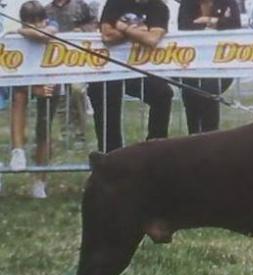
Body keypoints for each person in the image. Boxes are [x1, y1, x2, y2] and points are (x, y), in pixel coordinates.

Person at [87, 0, 174, 152]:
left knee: (163, 94)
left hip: (142, 69)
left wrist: (123, 27)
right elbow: (107, 36)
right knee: (101, 93)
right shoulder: (115, 3)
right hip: (111, 68)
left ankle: (155, 149)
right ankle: (111, 155)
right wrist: (140, 32)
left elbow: (152, 39)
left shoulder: (159, 7)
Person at [8, 0, 59, 198]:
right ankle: (18, 150)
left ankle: (40, 181)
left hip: (51, 81)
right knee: (18, 99)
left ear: (44, 19)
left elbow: (44, 35)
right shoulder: (16, 35)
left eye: (39, 21)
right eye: (30, 22)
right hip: (26, 80)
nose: (37, 26)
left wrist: (22, 31)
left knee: (43, 129)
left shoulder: (52, 23)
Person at [178, 0, 241, 134]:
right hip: (192, 62)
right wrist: (219, 23)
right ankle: (193, 137)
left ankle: (211, 137)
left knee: (209, 92)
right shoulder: (187, 3)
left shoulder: (228, 2)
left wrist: (208, 20)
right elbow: (184, 27)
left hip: (223, 62)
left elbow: (235, 24)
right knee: (190, 96)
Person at [44, 0, 98, 145]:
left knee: (77, 90)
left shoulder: (81, 5)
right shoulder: (47, 9)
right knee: (61, 97)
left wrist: (83, 30)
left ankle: (80, 133)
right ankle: (66, 133)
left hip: (76, 58)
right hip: (55, 59)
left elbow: (94, 24)